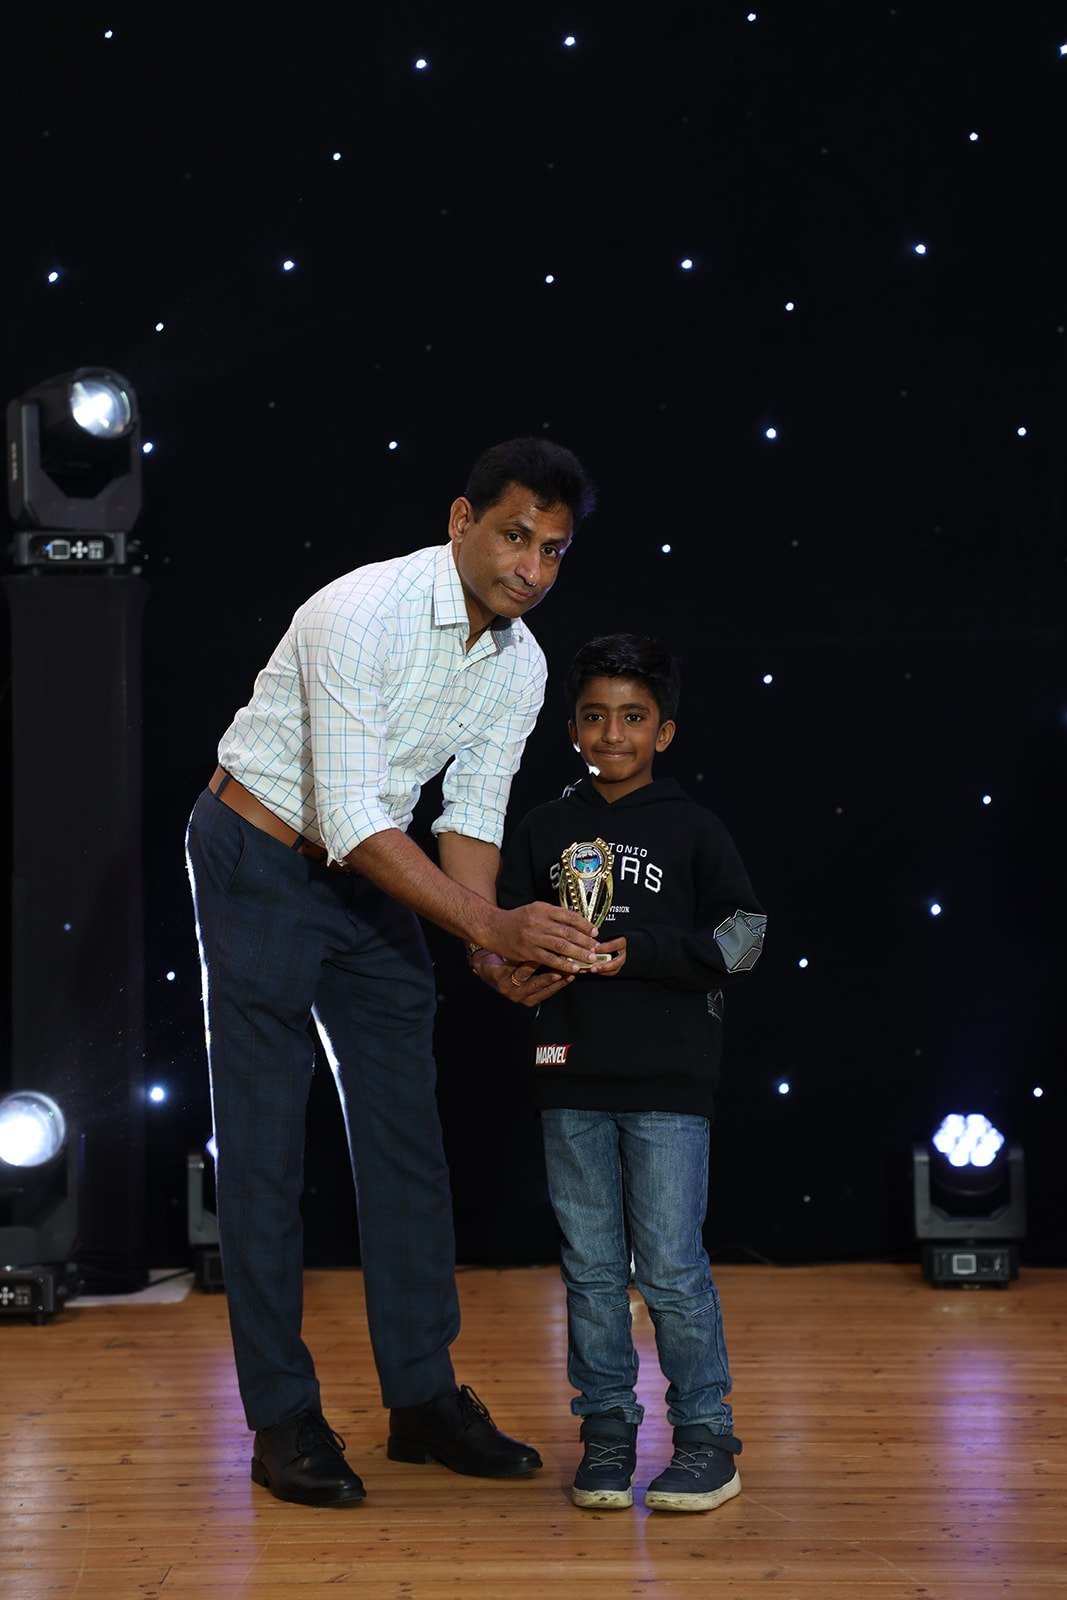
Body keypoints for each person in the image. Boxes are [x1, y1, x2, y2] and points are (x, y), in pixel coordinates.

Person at [185, 437, 599, 1507]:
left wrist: (486, 941)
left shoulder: (521, 663)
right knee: (266, 1144)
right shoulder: (358, 614)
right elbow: (352, 812)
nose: (531, 568)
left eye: (552, 550)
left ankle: (420, 1399)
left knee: (406, 1138)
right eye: (514, 537)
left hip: (375, 877)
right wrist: (490, 924)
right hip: (261, 856)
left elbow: (469, 818)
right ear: (461, 520)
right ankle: (281, 1417)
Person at [492, 633, 766, 1512]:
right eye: (595, 717)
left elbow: (745, 938)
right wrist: (509, 966)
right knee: (591, 1273)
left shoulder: (694, 828)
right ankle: (606, 1432)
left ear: (664, 732)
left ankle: (705, 1439)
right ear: (571, 727)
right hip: (567, 1074)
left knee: (672, 1271)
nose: (613, 734)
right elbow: (499, 934)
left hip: (667, 1082)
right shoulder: (542, 828)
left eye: (633, 717)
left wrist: (640, 951)